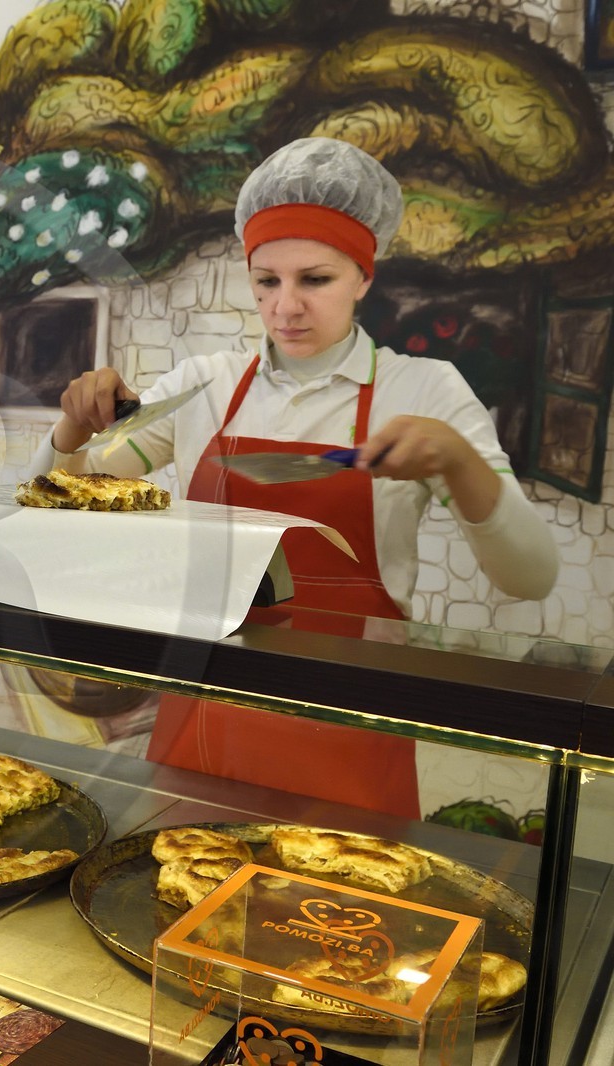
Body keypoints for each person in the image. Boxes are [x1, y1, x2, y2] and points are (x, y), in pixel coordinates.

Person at [31, 137, 558, 817]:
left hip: (351, 727)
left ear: (365, 277)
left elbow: (531, 578)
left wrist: (459, 461)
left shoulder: (423, 390)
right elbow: (52, 508)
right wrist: (71, 431)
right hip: (204, 712)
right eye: (266, 282)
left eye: (316, 279)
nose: (286, 307)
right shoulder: (205, 386)